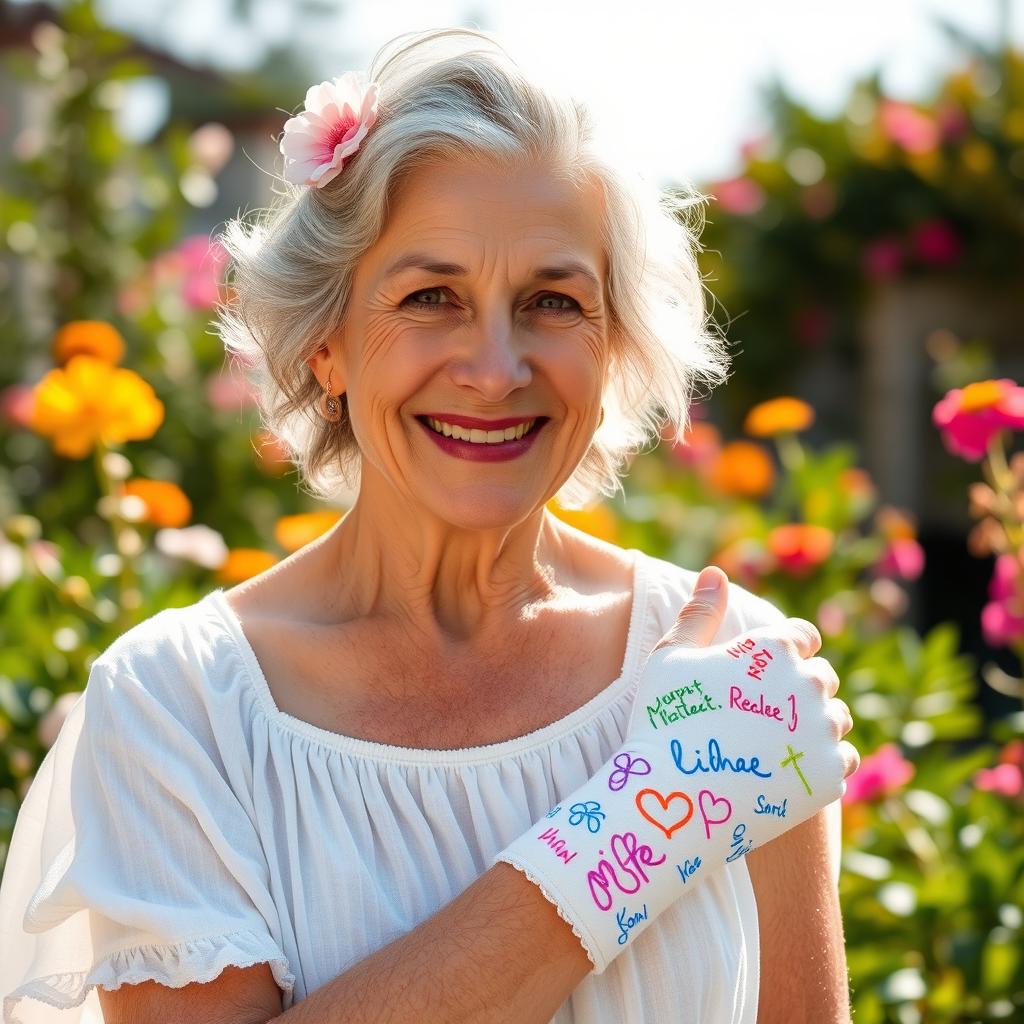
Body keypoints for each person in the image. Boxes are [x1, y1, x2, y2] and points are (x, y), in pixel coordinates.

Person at [0, 27, 859, 1024]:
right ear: (326, 344)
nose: (495, 367)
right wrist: (642, 820)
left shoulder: (737, 670)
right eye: (430, 297)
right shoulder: (181, 706)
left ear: (614, 342)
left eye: (551, 300)